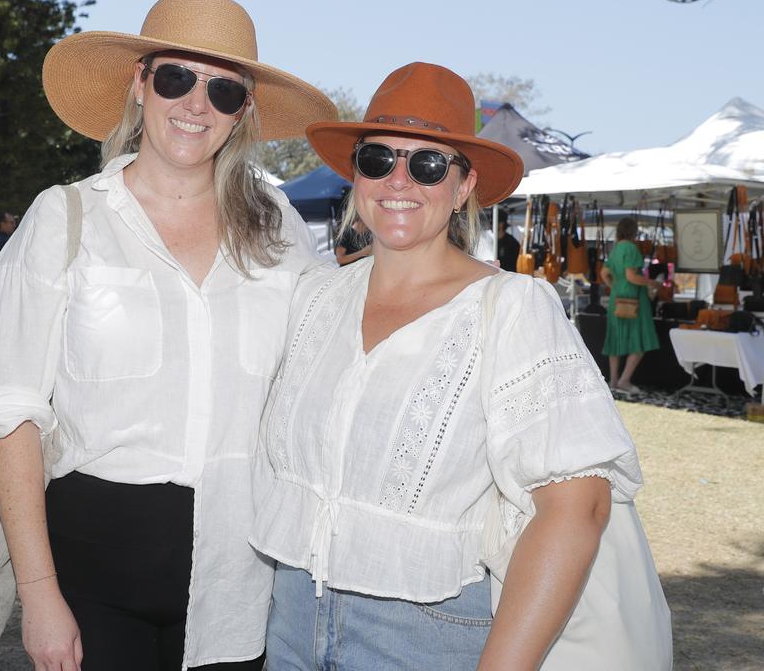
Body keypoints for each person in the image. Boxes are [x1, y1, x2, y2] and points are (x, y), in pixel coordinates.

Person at [0, 0, 336, 671]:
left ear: (243, 113)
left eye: (223, 91)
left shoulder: (278, 227)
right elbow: (9, 413)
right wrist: (40, 594)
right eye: (175, 78)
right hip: (93, 577)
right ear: (140, 86)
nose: (196, 105)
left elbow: (330, 356)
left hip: (242, 579)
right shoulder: (65, 219)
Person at [251, 62, 643, 670]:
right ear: (355, 175)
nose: (398, 179)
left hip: (424, 634)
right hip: (292, 617)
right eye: (378, 159)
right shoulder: (314, 298)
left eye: (428, 163)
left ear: (463, 187)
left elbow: (578, 507)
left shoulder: (511, 308)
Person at [600, 216, 659, 394]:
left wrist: (615, 287)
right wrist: (651, 283)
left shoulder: (616, 249)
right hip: (634, 301)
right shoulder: (631, 248)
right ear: (634, 231)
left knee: (615, 342)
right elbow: (632, 277)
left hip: (616, 300)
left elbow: (604, 273)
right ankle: (625, 381)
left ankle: (614, 381)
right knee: (639, 341)